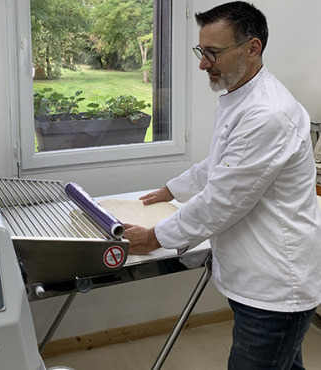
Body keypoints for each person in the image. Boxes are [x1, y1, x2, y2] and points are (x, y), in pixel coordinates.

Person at [123, 2, 321, 369]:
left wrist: (153, 238)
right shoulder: (240, 97)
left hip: (274, 288)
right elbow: (221, 165)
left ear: (252, 48)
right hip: (255, 278)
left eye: (212, 53)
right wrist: (171, 189)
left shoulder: (268, 114)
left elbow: (222, 201)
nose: (203, 64)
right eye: (202, 51)